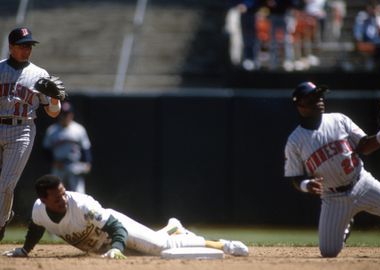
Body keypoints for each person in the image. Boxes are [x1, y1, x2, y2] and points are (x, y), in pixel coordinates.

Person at [2, 174, 249, 259]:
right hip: (103, 247)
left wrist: (118, 248)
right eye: (57, 198)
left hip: (116, 230)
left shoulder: (83, 204)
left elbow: (116, 227)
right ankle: (172, 227)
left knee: (159, 248)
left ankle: (221, 244)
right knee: (151, 249)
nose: (63, 199)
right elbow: (36, 227)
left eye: (64, 193)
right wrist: (25, 250)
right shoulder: (38, 210)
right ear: (44, 200)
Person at [284, 81, 380, 257]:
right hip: (333, 197)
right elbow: (295, 178)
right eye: (313, 97)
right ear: (299, 104)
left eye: (320, 95)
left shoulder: (338, 119)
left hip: (362, 183)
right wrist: (306, 185)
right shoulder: (295, 141)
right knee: (328, 252)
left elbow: (364, 146)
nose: (320, 99)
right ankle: (345, 224)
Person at [0, 27, 62, 241]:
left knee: (6, 184)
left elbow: (53, 112)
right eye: (22, 45)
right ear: (10, 47)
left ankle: (0, 223)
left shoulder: (40, 74)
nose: (27, 49)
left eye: (30, 46)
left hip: (21, 129)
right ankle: (5, 215)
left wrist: (54, 99)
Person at [43, 101, 92, 194]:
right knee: (55, 192)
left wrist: (87, 162)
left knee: (79, 194)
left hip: (74, 165)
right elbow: (45, 149)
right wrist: (53, 162)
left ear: (72, 114)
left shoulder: (79, 129)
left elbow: (86, 148)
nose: (65, 116)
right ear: (59, 114)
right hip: (59, 165)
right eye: (63, 114)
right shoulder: (52, 130)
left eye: (67, 114)